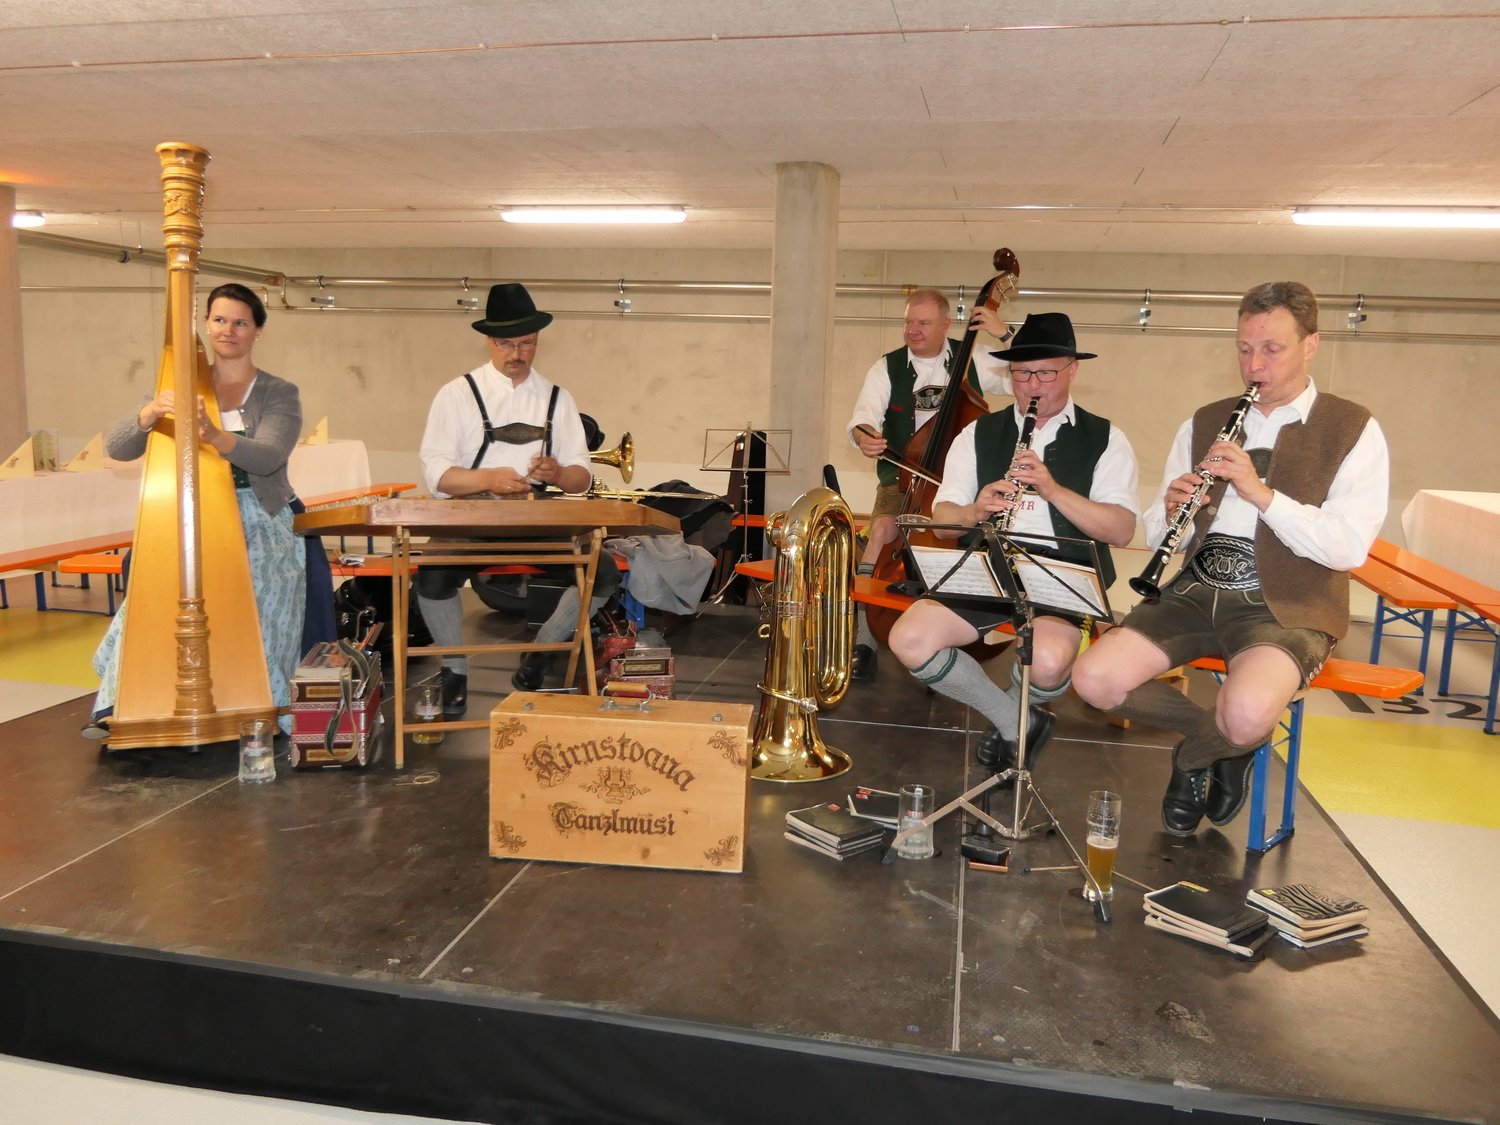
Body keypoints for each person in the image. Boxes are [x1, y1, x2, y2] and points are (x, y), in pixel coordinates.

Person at [1072, 282, 1389, 836]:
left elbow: (1347, 547)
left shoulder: (1353, 428)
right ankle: (1226, 740)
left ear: (1311, 345)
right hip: (1196, 586)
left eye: (1272, 349)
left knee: (1245, 712)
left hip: (1291, 601)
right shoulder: (1206, 419)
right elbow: (1157, 532)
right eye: (1244, 348)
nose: (1254, 364)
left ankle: (1196, 755)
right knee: (1094, 679)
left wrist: (1261, 494)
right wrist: (1172, 511)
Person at [887, 313, 1139, 777]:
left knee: (1048, 659)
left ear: (1072, 370)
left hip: (1063, 573)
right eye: (1022, 374)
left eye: (1045, 373)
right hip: (989, 565)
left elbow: (1121, 530)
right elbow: (943, 523)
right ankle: (1013, 720)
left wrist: (1053, 490)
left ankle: (1015, 717)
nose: (1032, 386)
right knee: (909, 639)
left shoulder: (1107, 438)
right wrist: (974, 511)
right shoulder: (978, 433)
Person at [87, 283, 322, 736]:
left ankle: (261, 704)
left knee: (258, 595)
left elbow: (269, 456)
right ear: (206, 324)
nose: (228, 330)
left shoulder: (278, 392)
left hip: (260, 513)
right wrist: (150, 412)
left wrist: (213, 435)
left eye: (240, 322)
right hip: (193, 517)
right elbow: (117, 449)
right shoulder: (179, 385)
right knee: (154, 591)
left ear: (257, 331)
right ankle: (128, 702)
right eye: (219, 320)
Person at [416, 282, 618, 715]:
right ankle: (454, 670)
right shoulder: (457, 394)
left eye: (527, 343)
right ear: (489, 340)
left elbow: (582, 477)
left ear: (537, 340)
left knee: (601, 574)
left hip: (535, 517)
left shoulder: (557, 398)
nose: (517, 353)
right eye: (506, 343)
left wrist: (558, 473)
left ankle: (542, 651)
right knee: (431, 578)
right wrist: (487, 478)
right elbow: (437, 474)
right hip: (472, 515)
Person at [845, 288, 1014, 680]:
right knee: (883, 531)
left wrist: (1005, 334)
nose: (913, 330)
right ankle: (864, 639)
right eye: (908, 322)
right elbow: (862, 418)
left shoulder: (974, 358)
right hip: (904, 476)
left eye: (923, 323)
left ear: (945, 325)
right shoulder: (887, 366)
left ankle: (964, 625)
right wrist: (865, 436)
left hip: (966, 483)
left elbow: (1030, 373)